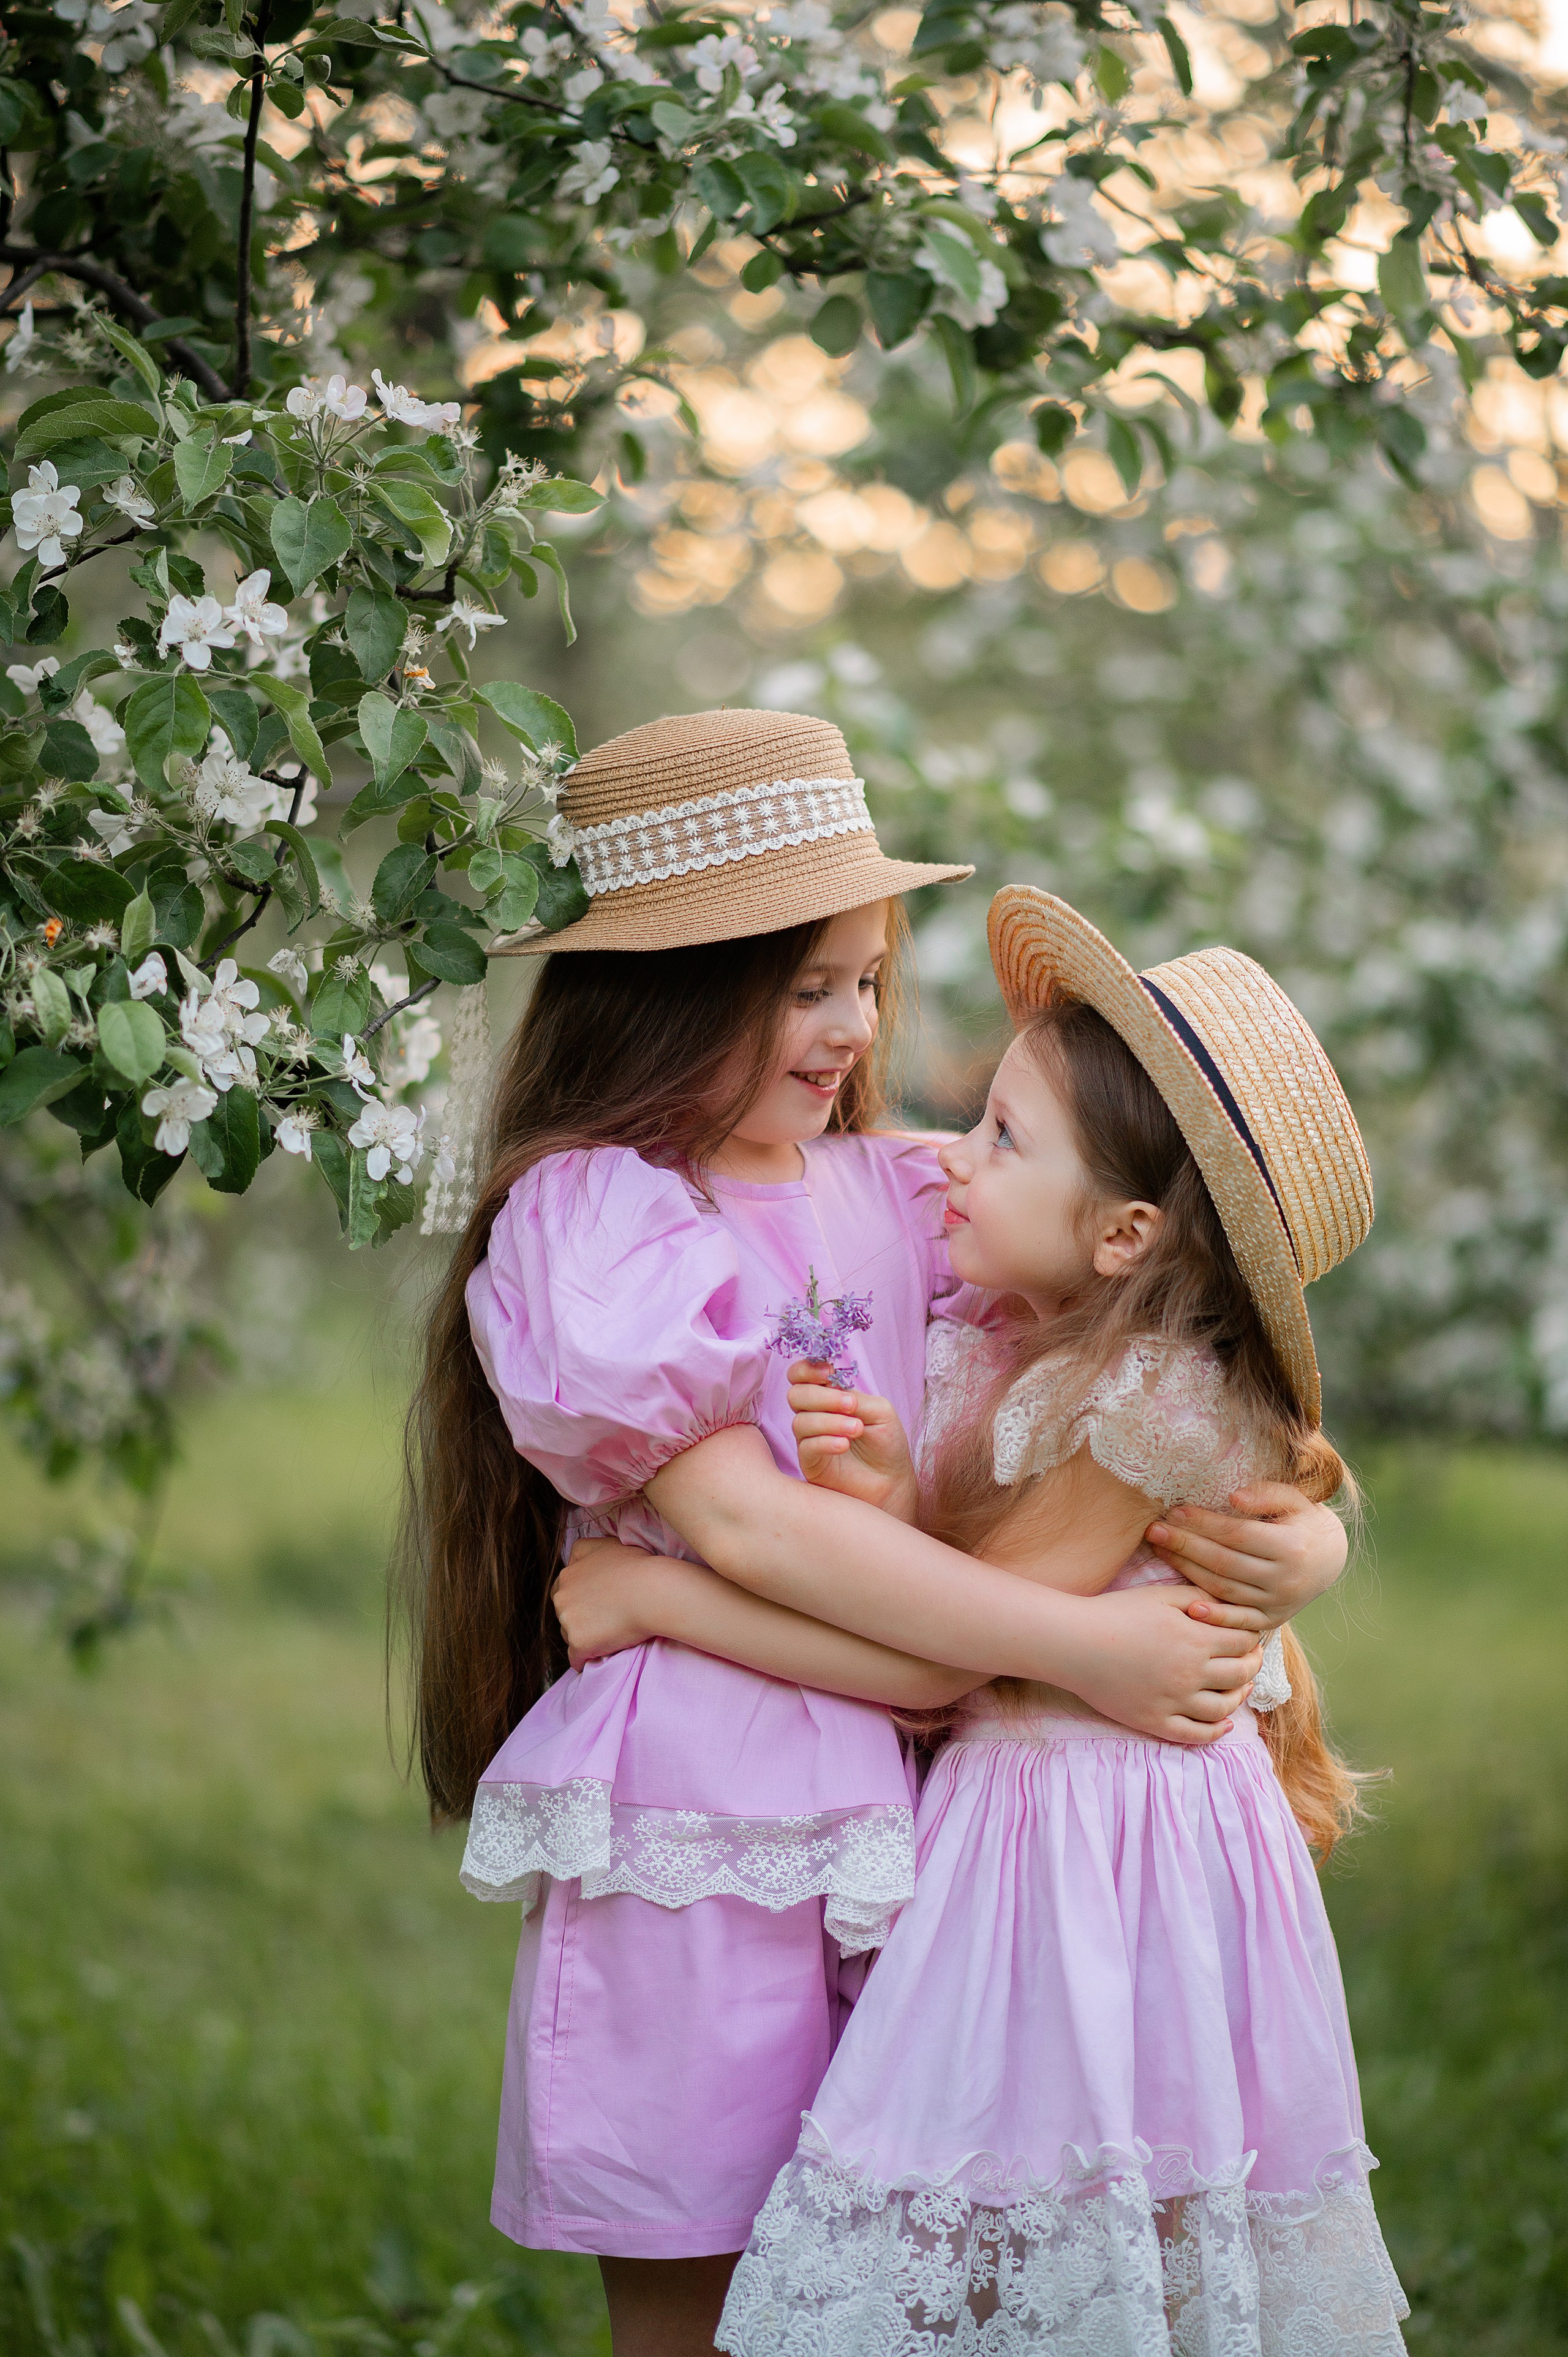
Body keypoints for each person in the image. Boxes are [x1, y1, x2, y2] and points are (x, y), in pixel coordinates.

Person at [399, 715, 1351, 2357]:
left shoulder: (899, 1190)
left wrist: (1299, 1546)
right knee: (699, 2293)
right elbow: (752, 1528)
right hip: (701, 1831)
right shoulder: (602, 1219)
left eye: (865, 979)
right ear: (674, 991)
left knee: (896, 2295)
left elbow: (1157, 1346)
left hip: (924, 1841)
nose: (852, 1027)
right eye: (805, 987)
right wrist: (1082, 1649)